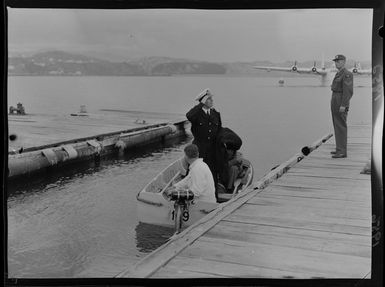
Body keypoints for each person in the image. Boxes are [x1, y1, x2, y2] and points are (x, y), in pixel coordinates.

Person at [186, 88, 222, 197]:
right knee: (194, 173)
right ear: (204, 101)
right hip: (199, 149)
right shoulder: (196, 114)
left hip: (212, 150)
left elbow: (219, 130)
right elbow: (189, 116)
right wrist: (200, 105)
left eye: (211, 99)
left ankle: (213, 198)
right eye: (209, 99)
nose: (212, 101)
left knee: (213, 173)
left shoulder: (215, 114)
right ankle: (190, 196)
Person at [330, 54, 354, 158]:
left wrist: (344, 105)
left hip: (340, 100)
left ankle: (342, 151)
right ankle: (339, 148)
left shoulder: (347, 74)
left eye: (339, 61)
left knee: (341, 126)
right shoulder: (338, 73)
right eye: (335, 61)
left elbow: (348, 91)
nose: (336, 63)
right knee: (336, 125)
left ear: (344, 62)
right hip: (335, 98)